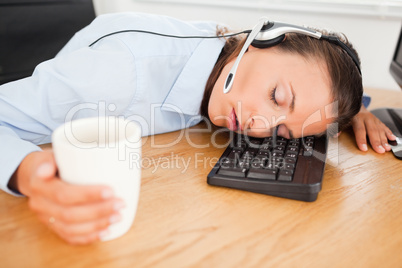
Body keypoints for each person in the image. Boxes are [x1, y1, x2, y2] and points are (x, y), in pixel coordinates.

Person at [0, 12, 395, 245]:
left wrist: (347, 112)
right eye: (276, 96)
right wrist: (29, 174)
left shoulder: (222, 53)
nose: (259, 125)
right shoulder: (120, 74)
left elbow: (304, 103)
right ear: (261, 39)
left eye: (282, 133)